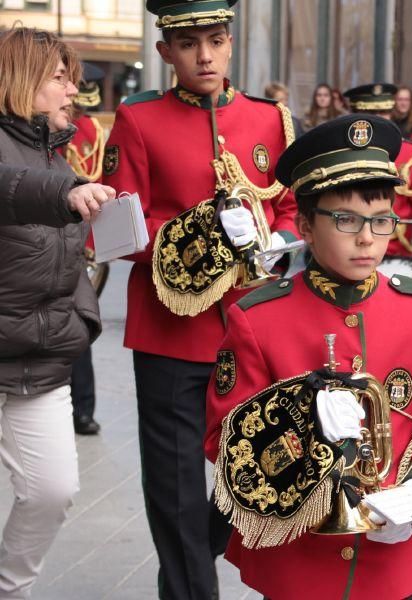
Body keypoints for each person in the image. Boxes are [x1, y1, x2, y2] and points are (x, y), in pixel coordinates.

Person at [204, 113, 412, 600]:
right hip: (297, 562)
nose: (367, 237)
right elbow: (222, 440)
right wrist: (301, 420)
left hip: (391, 558)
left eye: (381, 219)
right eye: (345, 219)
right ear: (304, 224)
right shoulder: (258, 318)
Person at [102, 1, 299, 597]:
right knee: (176, 484)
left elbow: (290, 209)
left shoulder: (271, 119)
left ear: (232, 44)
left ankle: (183, 570)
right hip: (169, 331)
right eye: (189, 44)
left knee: (264, 471)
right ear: (165, 52)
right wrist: (201, 239)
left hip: (255, 327)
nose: (204, 56)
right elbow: (113, 230)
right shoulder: (138, 119)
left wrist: (278, 242)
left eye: (215, 40)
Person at [0, 25, 115, 597]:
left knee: (52, 489)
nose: (74, 91)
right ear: (22, 81)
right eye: (60, 78)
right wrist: (62, 192)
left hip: (38, 359)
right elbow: (8, 185)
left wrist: (80, 319)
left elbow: (69, 260)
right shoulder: (42, 165)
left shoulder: (58, 147)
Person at [343, 83, 412, 278]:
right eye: (370, 113)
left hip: (398, 248)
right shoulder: (339, 154)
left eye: (383, 112)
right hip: (350, 245)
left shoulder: (410, 152)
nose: (378, 118)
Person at [63, 61, 106, 436]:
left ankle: (81, 408)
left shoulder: (86, 131)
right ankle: (80, 409)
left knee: (78, 327)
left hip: (77, 242)